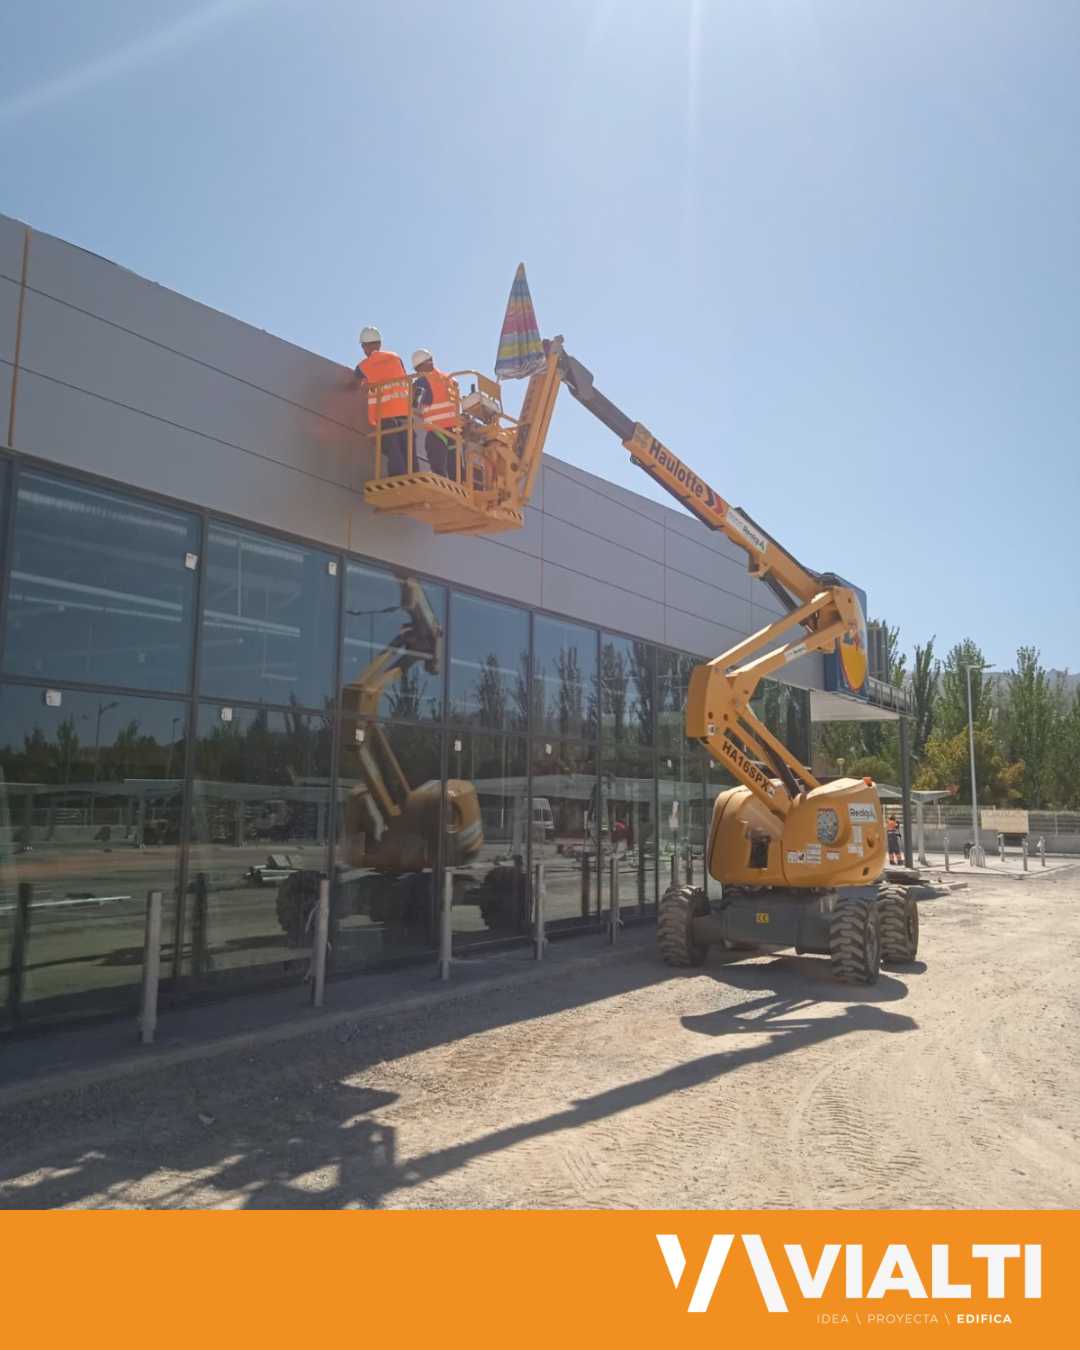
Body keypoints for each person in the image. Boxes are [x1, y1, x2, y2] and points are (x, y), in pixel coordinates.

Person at [355, 326, 410, 476]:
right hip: (404, 411)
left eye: (363, 347)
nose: (363, 351)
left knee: (391, 446)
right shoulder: (395, 358)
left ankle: (397, 477)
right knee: (407, 446)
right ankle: (412, 475)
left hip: (385, 413)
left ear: (366, 346)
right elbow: (403, 377)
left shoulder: (364, 365)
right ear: (379, 343)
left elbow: (354, 379)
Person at [411, 348, 460, 480]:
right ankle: (458, 483)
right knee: (454, 463)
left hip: (438, 428)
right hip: (454, 429)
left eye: (417, 369)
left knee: (435, 455)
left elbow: (416, 403)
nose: (418, 373)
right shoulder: (448, 379)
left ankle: (441, 481)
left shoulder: (424, 381)